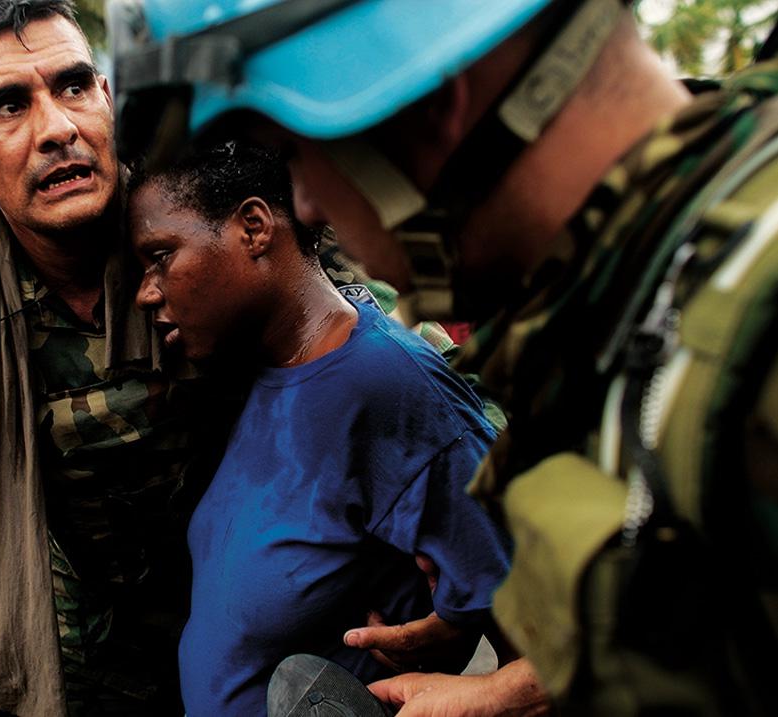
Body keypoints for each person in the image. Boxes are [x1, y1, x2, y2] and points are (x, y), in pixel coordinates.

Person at [113, 0, 778, 715]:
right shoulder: (639, 309)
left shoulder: (748, 337)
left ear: (425, 101)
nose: (303, 206)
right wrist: (512, 689)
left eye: (299, 154)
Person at [0, 1, 225, 714]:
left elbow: (396, 372)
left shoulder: (217, 221)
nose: (57, 129)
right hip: (100, 670)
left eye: (72, 87)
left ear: (107, 97)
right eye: (7, 105)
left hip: (271, 629)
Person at [129, 140, 510, 716]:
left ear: (254, 228)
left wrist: (461, 636)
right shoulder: (254, 372)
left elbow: (541, 623)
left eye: (161, 256)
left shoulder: (385, 384)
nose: (146, 291)